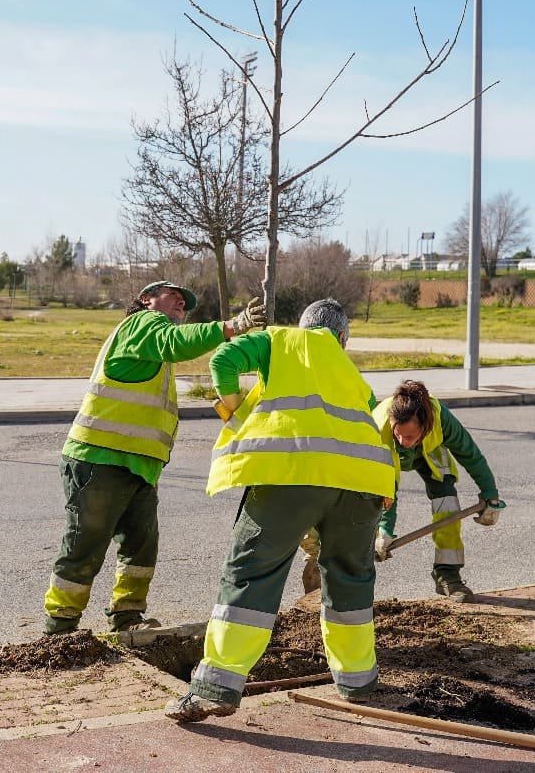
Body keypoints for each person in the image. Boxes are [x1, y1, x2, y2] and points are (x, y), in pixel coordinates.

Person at [165, 298, 392, 724]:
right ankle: (358, 683)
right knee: (350, 577)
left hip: (293, 471)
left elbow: (224, 359)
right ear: (342, 339)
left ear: (303, 325)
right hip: (363, 481)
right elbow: (374, 420)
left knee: (253, 572)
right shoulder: (352, 375)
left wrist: (232, 408)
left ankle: (217, 686)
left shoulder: (279, 339)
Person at [44, 280, 264, 635]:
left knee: (140, 546)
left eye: (185, 301)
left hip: (137, 464)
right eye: (172, 295)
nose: (181, 301)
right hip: (101, 458)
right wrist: (233, 326)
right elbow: (176, 342)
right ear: (146, 300)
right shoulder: (143, 325)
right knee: (86, 543)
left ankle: (127, 618)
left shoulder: (152, 349)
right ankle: (60, 626)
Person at [373, 379, 504, 602]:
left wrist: (490, 493)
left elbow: (470, 455)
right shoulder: (379, 427)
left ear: (425, 425)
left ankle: (447, 575)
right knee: (372, 503)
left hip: (429, 451)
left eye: (410, 436)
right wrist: (384, 530)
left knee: (447, 502)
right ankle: (361, 570)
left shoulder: (440, 418)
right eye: (399, 435)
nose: (404, 441)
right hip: (384, 461)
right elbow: (385, 488)